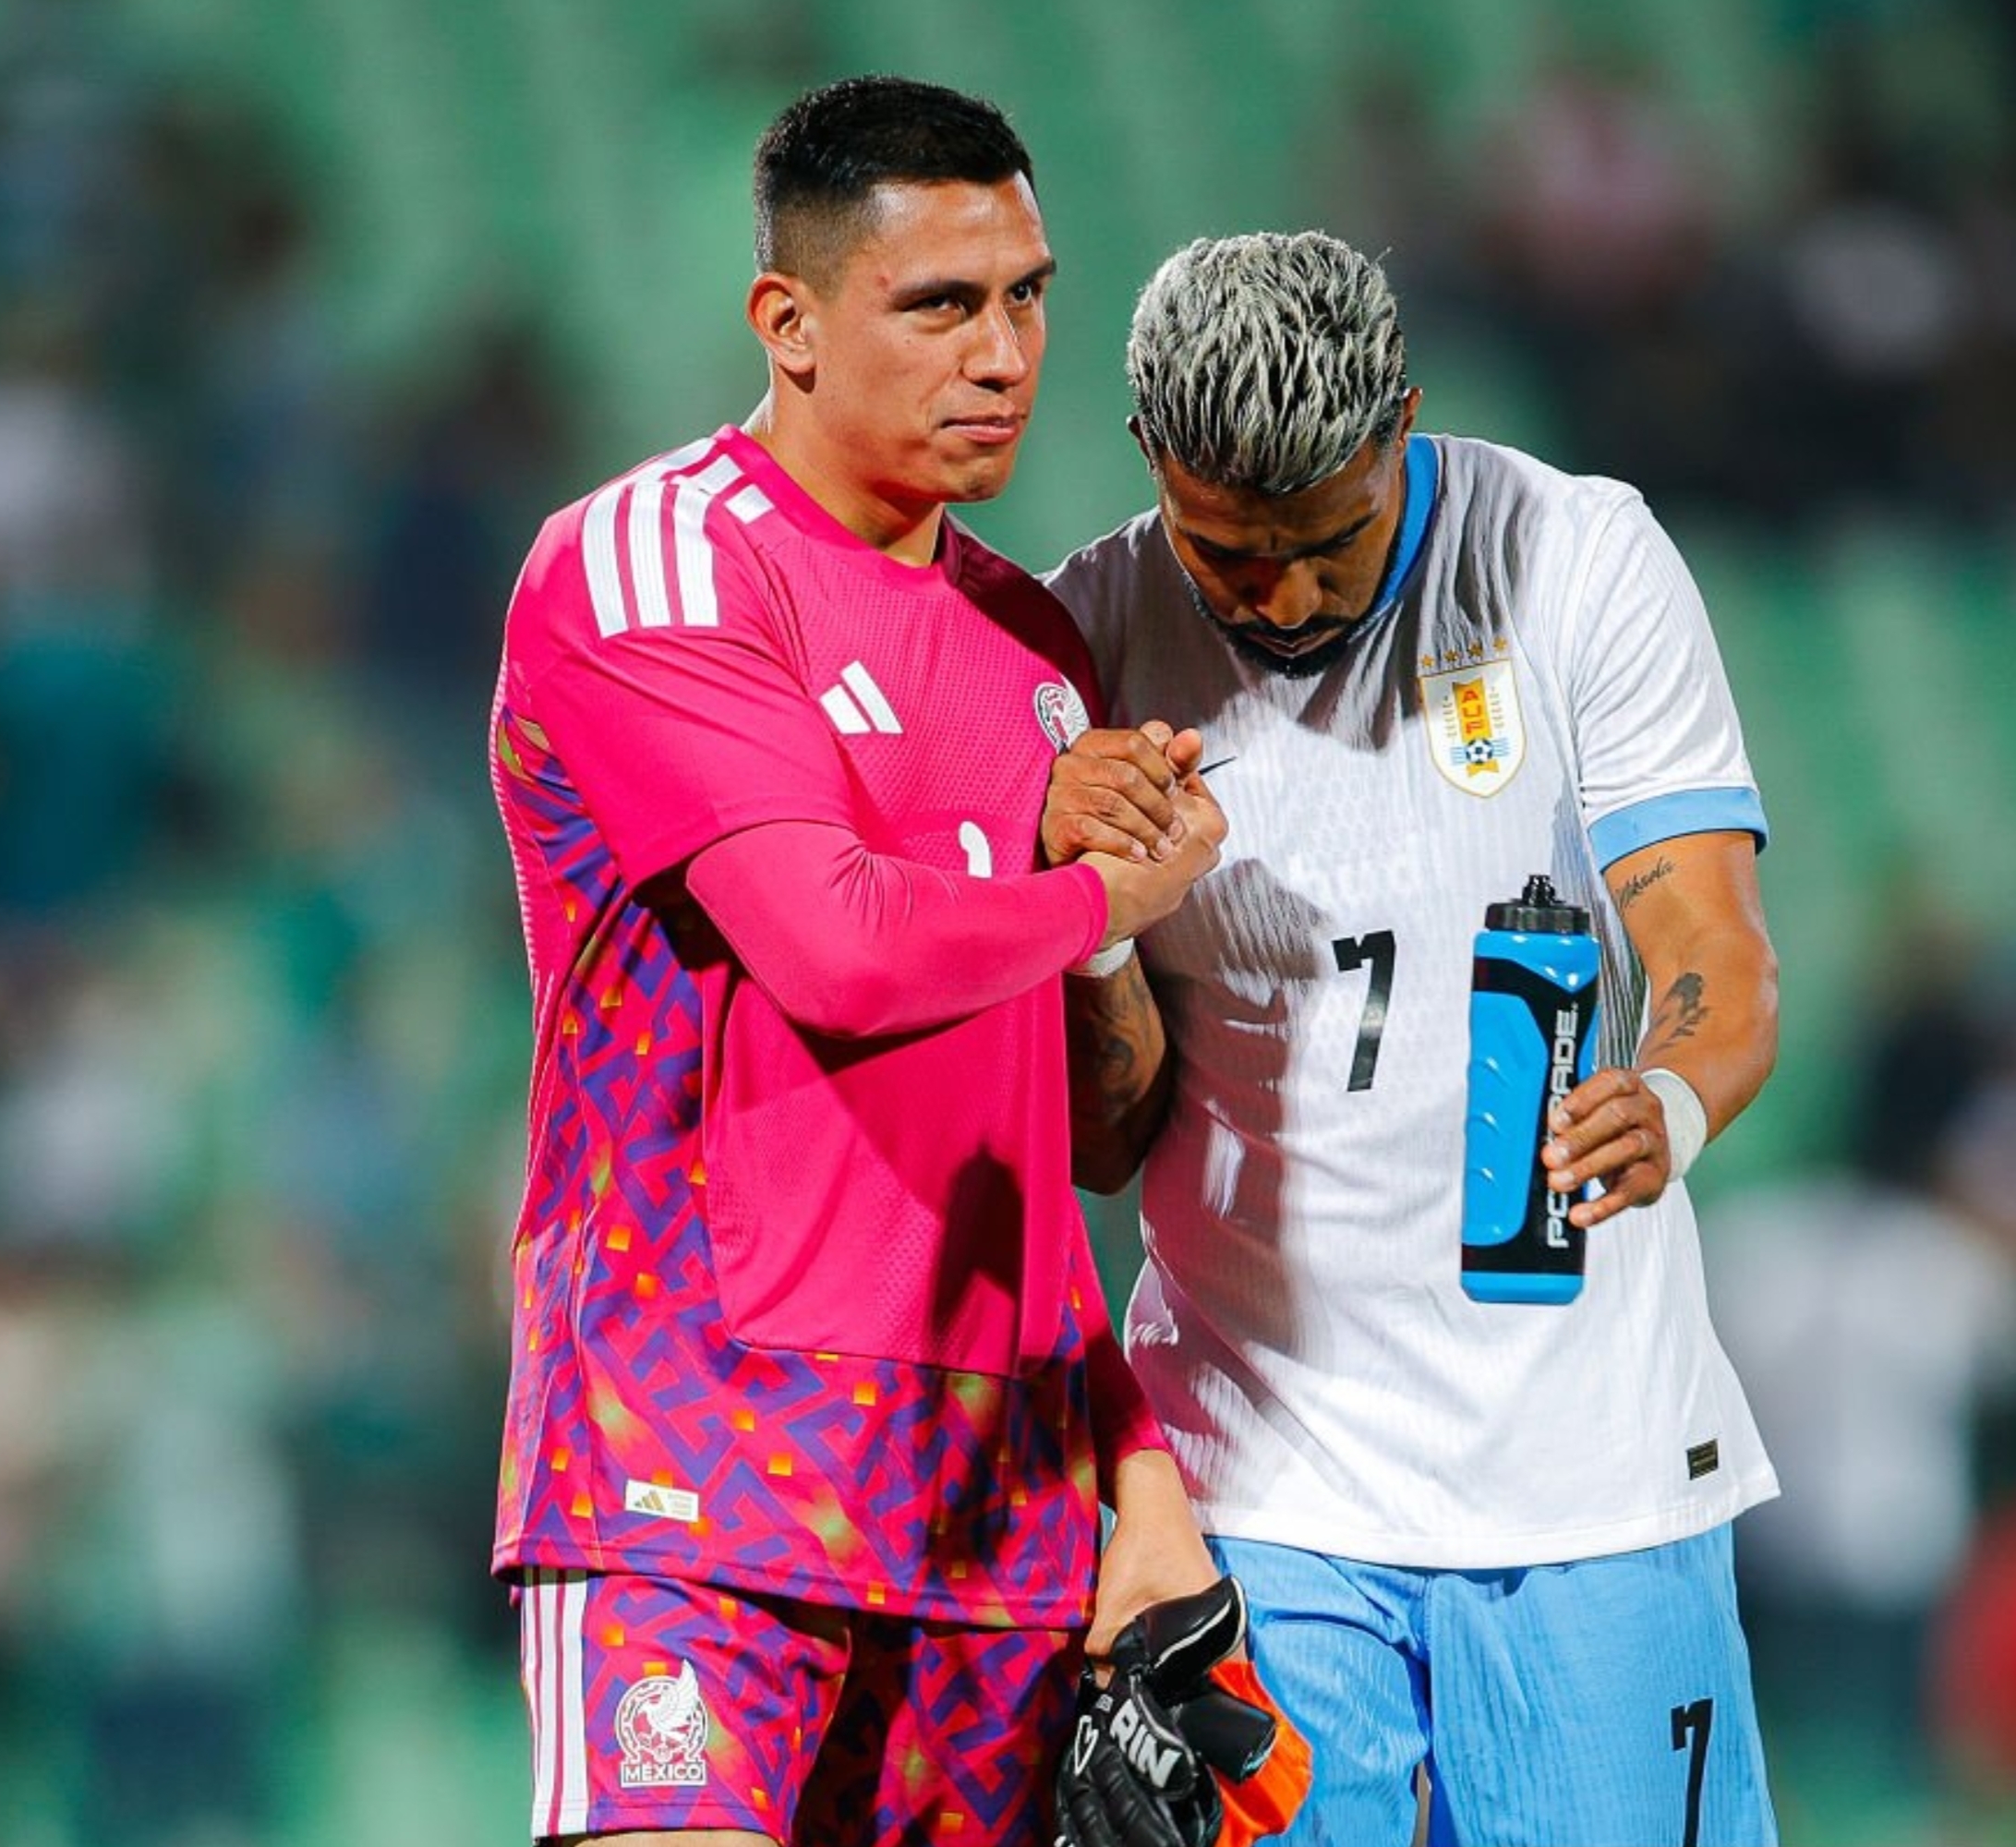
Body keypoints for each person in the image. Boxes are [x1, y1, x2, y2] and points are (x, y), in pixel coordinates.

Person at [486, 77, 1224, 1846]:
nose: (1004, 354)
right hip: (689, 1458)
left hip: (990, 1508)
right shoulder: (650, 564)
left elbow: (1092, 1141)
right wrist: (1103, 903)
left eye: (1029, 295)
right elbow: (837, 951)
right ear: (790, 323)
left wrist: (1128, 1459)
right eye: (942, 304)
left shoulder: (1038, 643)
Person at [1042, 230, 1785, 1846]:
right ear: (1149, 466)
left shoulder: (1578, 557)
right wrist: (1093, 926)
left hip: (1590, 1467)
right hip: (1257, 1471)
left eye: (1332, 539)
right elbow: (1104, 1142)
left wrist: (1668, 1097)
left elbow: (1716, 960)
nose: (1289, 597)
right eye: (1228, 554)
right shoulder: (1078, 646)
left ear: (1405, 429)